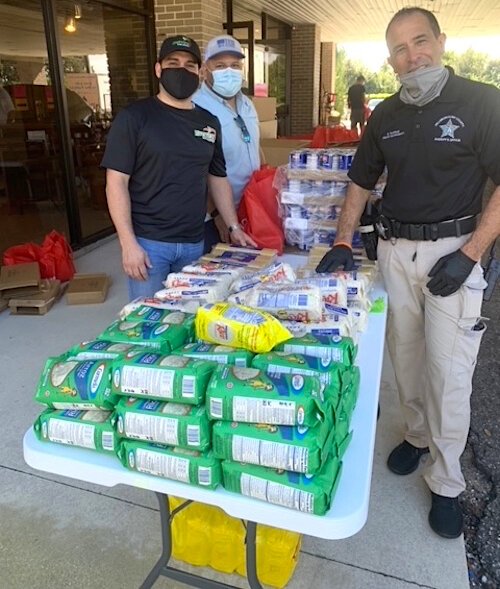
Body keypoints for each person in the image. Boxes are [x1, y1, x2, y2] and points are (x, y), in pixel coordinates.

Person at [316, 7, 500, 539]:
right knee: (406, 357)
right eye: (399, 48)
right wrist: (345, 239)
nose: (412, 54)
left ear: (441, 42)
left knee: (450, 375)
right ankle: (417, 437)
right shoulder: (386, 113)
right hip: (396, 252)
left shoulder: (482, 103)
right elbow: (360, 179)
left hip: (454, 252)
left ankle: (447, 483)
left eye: (420, 42)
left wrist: (471, 255)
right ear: (390, 60)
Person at [101, 35, 256, 300]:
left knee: (186, 323)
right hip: (149, 246)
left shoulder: (208, 122)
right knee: (147, 324)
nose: (181, 70)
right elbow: (116, 182)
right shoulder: (135, 117)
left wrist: (233, 226)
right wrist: (128, 244)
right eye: (173, 62)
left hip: (194, 244)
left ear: (198, 72)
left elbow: (217, 178)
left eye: (189, 65)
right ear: (158, 69)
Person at [193, 34, 260, 252]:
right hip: (216, 219)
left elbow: (254, 145)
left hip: (251, 208)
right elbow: (195, 171)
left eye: (235, 65)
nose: (229, 71)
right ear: (205, 70)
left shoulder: (247, 103)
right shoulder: (196, 108)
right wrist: (217, 214)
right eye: (220, 65)